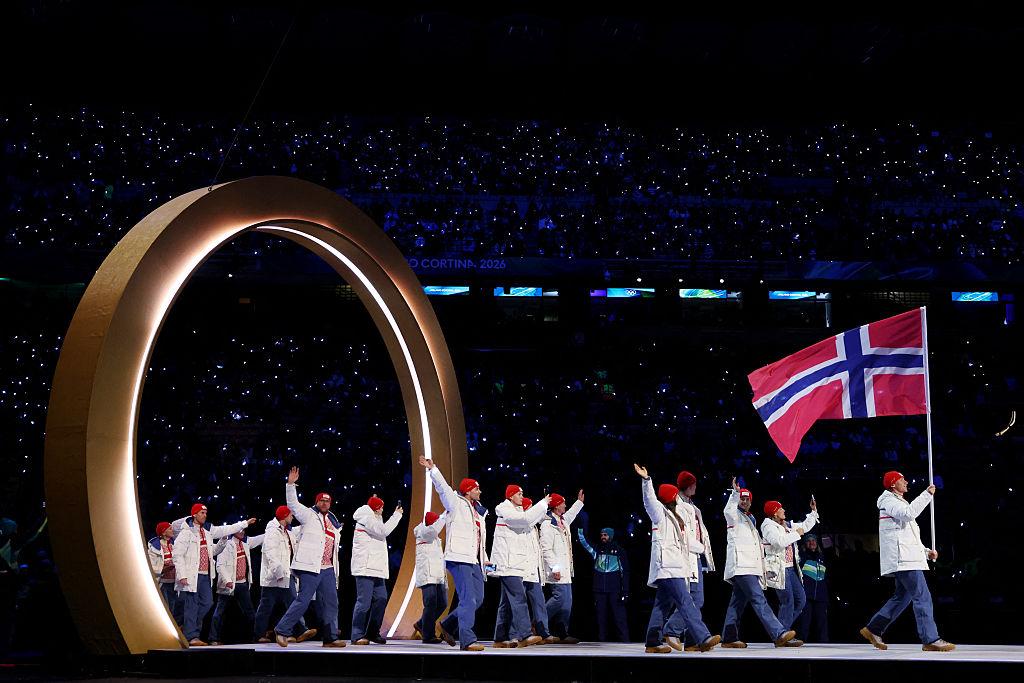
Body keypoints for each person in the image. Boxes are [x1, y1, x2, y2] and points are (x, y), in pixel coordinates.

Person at [860, 471, 955, 652]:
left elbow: (908, 538)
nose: (906, 482)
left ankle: (874, 628)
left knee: (902, 597)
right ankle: (930, 639)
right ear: (893, 484)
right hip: (903, 560)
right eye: (902, 479)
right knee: (922, 596)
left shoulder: (898, 502)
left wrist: (926, 552)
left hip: (906, 558)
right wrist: (926, 495)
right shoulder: (889, 501)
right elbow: (908, 514)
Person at [633, 464, 720, 654]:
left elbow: (687, 540)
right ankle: (703, 637)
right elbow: (649, 501)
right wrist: (646, 480)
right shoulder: (659, 514)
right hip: (667, 566)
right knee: (686, 601)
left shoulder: (675, 517)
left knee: (661, 605)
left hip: (674, 566)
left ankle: (652, 642)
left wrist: (703, 548)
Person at [419, 454, 488, 651]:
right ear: (468, 490)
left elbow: (479, 540)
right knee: (468, 600)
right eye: (476, 488)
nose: (480, 491)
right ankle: (467, 640)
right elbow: (443, 488)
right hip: (459, 557)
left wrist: (485, 560)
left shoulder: (477, 511)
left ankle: (448, 624)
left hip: (474, 560)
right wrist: (433, 469)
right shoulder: (455, 503)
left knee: (478, 599)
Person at [273, 466, 346, 648]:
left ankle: (330, 638)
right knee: (303, 600)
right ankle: (282, 630)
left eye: (327, 501)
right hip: (310, 566)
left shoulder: (332, 521)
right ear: (316, 502)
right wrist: (291, 485)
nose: (324, 503)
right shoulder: (308, 515)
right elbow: (293, 505)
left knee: (331, 602)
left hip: (328, 568)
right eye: (321, 500)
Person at [720, 479, 796, 648]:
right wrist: (735, 493)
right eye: (742, 498)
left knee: (737, 603)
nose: (744, 501)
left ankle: (729, 637)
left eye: (747, 499)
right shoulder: (734, 516)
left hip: (751, 566)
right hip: (741, 566)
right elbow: (728, 510)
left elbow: (757, 548)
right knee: (758, 599)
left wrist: (763, 569)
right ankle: (778, 633)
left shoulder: (751, 519)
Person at [171, 504, 255, 646]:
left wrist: (242, 525)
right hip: (192, 574)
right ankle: (192, 636)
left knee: (207, 602)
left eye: (206, 513)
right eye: (202, 513)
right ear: (194, 515)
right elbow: (177, 555)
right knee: (192, 605)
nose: (205, 515)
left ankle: (188, 627)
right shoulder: (186, 533)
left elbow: (216, 547)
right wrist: (182, 575)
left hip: (205, 575)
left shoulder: (208, 531)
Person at [491, 485, 549, 648]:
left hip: (514, 564)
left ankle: (499, 638)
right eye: (519, 494)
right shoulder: (505, 510)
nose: (522, 496)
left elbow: (530, 520)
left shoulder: (516, 513)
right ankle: (524, 635)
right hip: (507, 564)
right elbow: (525, 519)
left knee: (506, 603)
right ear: (510, 496)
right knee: (519, 598)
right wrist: (542, 504)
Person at [662, 470, 714, 651]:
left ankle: (692, 641)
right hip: (687, 557)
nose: (696, 486)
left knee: (695, 600)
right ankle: (671, 629)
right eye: (693, 484)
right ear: (688, 485)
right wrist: (701, 548)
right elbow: (684, 535)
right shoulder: (679, 506)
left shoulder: (691, 505)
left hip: (696, 557)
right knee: (693, 600)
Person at [254, 505, 317, 644]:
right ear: (284, 516)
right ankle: (259, 634)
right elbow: (271, 553)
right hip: (275, 577)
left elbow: (300, 530)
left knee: (293, 602)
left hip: (287, 574)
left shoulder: (287, 531)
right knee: (266, 607)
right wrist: (278, 573)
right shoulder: (272, 532)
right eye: (290, 515)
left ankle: (299, 630)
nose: (292, 517)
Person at [760, 497, 818, 645]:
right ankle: (781, 635)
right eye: (780, 509)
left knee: (801, 600)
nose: (784, 510)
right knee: (788, 602)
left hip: (790, 568)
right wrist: (797, 534)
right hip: (779, 568)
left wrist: (813, 512)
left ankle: (781, 632)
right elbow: (779, 542)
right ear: (774, 513)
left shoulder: (786, 525)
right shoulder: (768, 526)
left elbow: (804, 526)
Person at [350, 495, 403, 645]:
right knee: (364, 603)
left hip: (376, 569)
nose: (382, 509)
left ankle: (372, 632)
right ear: (375, 508)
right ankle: (357, 635)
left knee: (381, 599)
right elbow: (384, 531)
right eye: (381, 507)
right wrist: (396, 515)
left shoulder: (375, 519)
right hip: (365, 568)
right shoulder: (366, 518)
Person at [540, 489, 585, 643]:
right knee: (559, 599)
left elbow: (571, 514)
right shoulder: (547, 524)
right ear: (556, 506)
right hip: (556, 569)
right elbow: (546, 549)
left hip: (565, 569)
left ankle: (562, 633)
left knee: (567, 604)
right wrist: (555, 567)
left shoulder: (563, 521)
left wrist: (579, 503)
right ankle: (538, 624)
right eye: (563, 503)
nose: (565, 506)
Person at [209, 528, 265, 644]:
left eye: (244, 530)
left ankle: (256, 636)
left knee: (250, 612)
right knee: (220, 612)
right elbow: (220, 565)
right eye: (240, 530)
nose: (243, 532)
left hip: (242, 584)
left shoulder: (245, 544)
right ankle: (213, 638)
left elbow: (259, 539)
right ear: (234, 531)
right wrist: (227, 581)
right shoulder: (226, 544)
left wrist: (273, 530)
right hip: (228, 585)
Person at [577, 526, 629, 642]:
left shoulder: (619, 551)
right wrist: (580, 529)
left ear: (611, 536)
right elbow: (584, 543)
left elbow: (625, 572)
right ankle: (602, 641)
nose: (603, 537)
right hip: (599, 589)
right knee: (601, 617)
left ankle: (625, 640)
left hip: (615, 589)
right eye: (601, 535)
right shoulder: (597, 550)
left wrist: (625, 591)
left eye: (605, 535)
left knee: (619, 617)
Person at [520, 496, 557, 644]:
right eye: (530, 508)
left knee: (540, 603)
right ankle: (518, 634)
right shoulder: (521, 526)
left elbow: (543, 517)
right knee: (518, 603)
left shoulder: (534, 527)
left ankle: (543, 633)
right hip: (522, 572)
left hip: (534, 573)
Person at [411, 511, 447, 643]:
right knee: (430, 604)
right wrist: (446, 513)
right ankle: (428, 635)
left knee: (442, 603)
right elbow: (433, 531)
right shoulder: (423, 532)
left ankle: (421, 624)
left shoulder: (435, 538)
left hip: (438, 575)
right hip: (427, 574)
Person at [147, 521, 183, 626]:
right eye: (170, 529)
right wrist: (164, 569)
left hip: (176, 583)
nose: (172, 530)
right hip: (164, 583)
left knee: (179, 607)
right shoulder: (154, 547)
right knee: (167, 609)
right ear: (163, 532)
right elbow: (152, 566)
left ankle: (177, 628)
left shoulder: (175, 544)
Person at [796, 534, 828, 643]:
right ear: (805, 544)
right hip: (806, 594)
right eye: (808, 541)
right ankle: (801, 641)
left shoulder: (822, 557)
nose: (812, 542)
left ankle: (824, 643)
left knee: (822, 621)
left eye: (814, 540)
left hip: (821, 595)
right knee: (804, 621)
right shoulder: (801, 557)